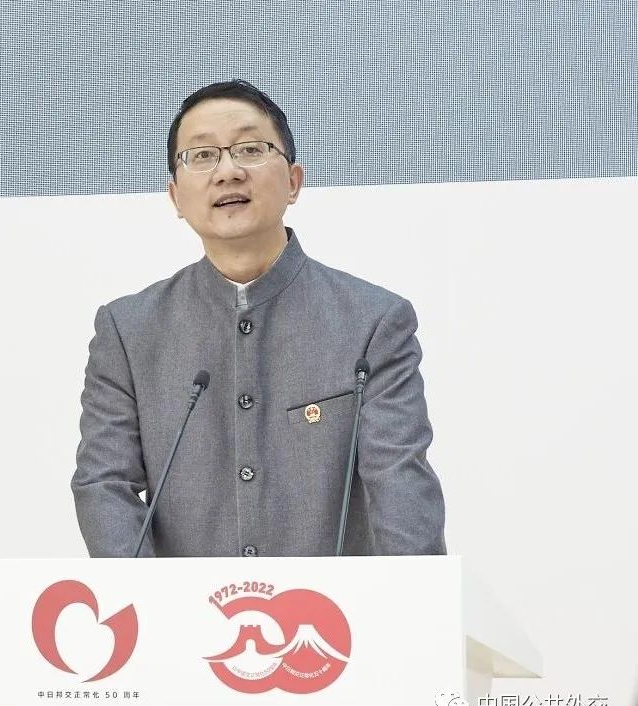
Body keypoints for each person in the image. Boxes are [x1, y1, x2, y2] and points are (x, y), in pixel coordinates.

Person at [71, 80, 446, 558]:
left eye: (250, 149)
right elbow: (104, 485)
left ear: (293, 181)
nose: (227, 172)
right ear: (176, 197)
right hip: (180, 607)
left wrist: (411, 596)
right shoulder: (128, 331)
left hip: (330, 608)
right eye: (202, 155)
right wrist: (151, 599)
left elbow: (400, 488)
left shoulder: (372, 322)